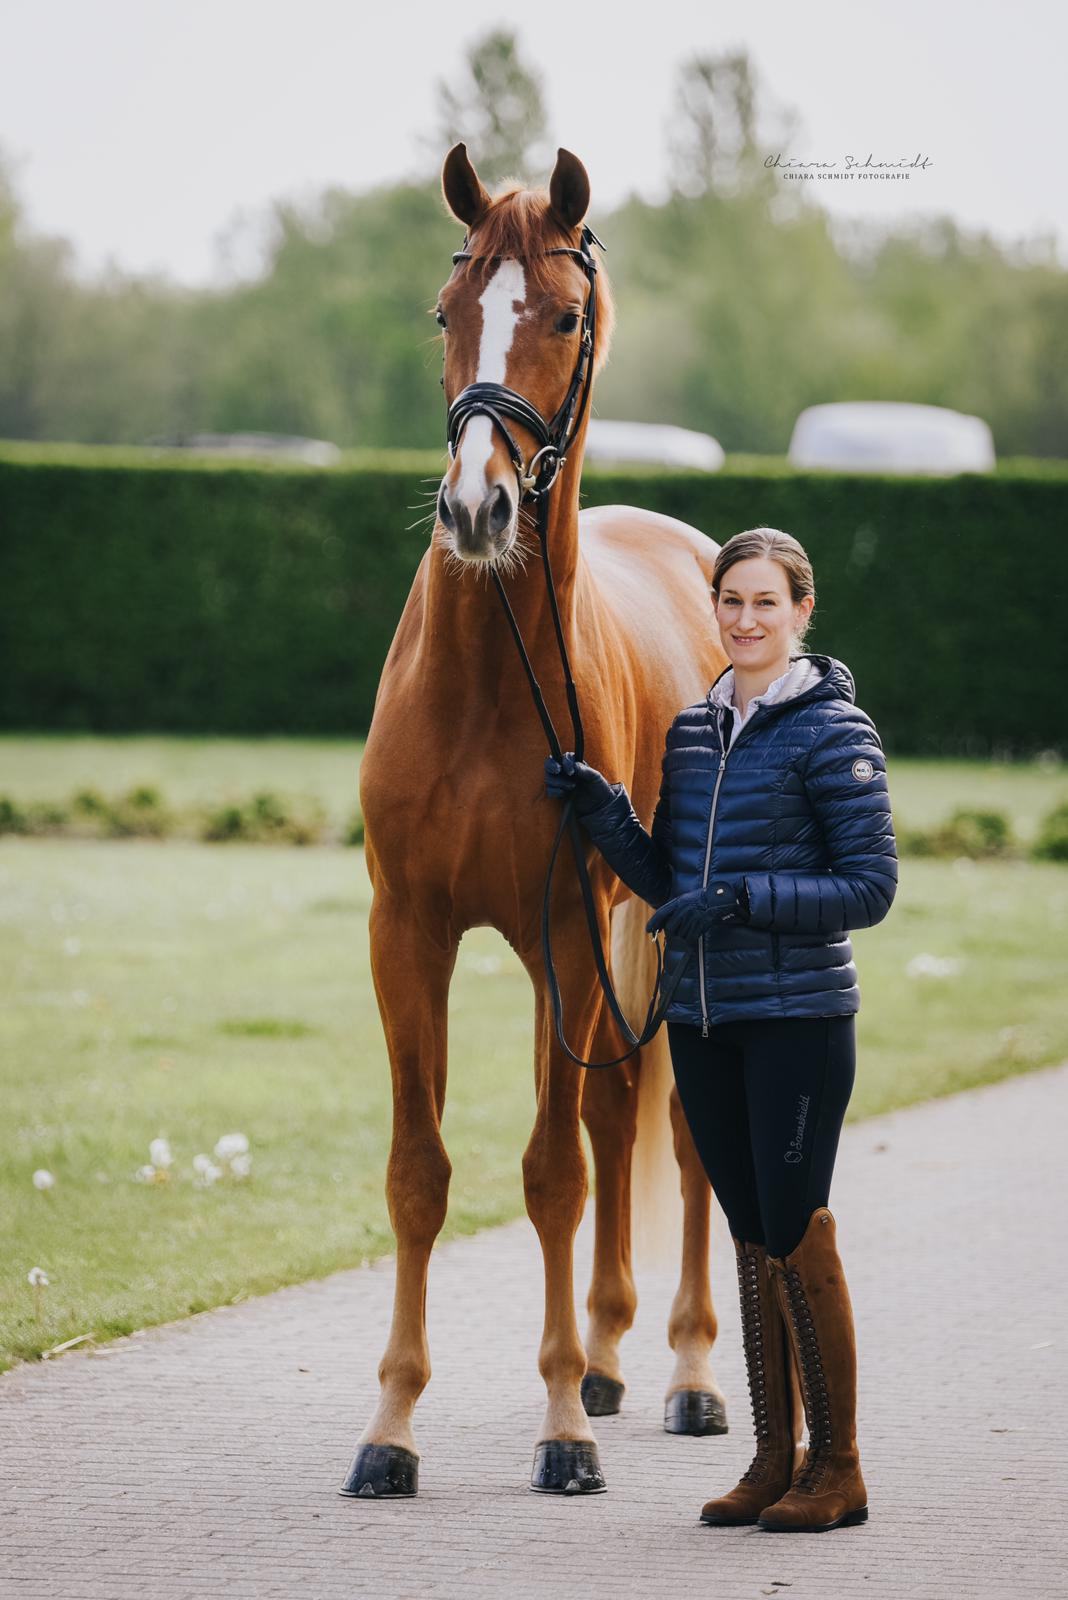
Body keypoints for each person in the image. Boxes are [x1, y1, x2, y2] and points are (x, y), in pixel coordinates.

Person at [544, 526, 898, 1533]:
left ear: (800, 614)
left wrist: (740, 898)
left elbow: (869, 887)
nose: (746, 619)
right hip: (702, 1018)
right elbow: (667, 880)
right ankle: (771, 1457)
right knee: (750, 1234)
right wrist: (609, 815)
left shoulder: (836, 731)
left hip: (797, 1018)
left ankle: (838, 1466)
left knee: (795, 1226)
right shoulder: (694, 730)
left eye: (766, 603)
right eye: (731, 602)